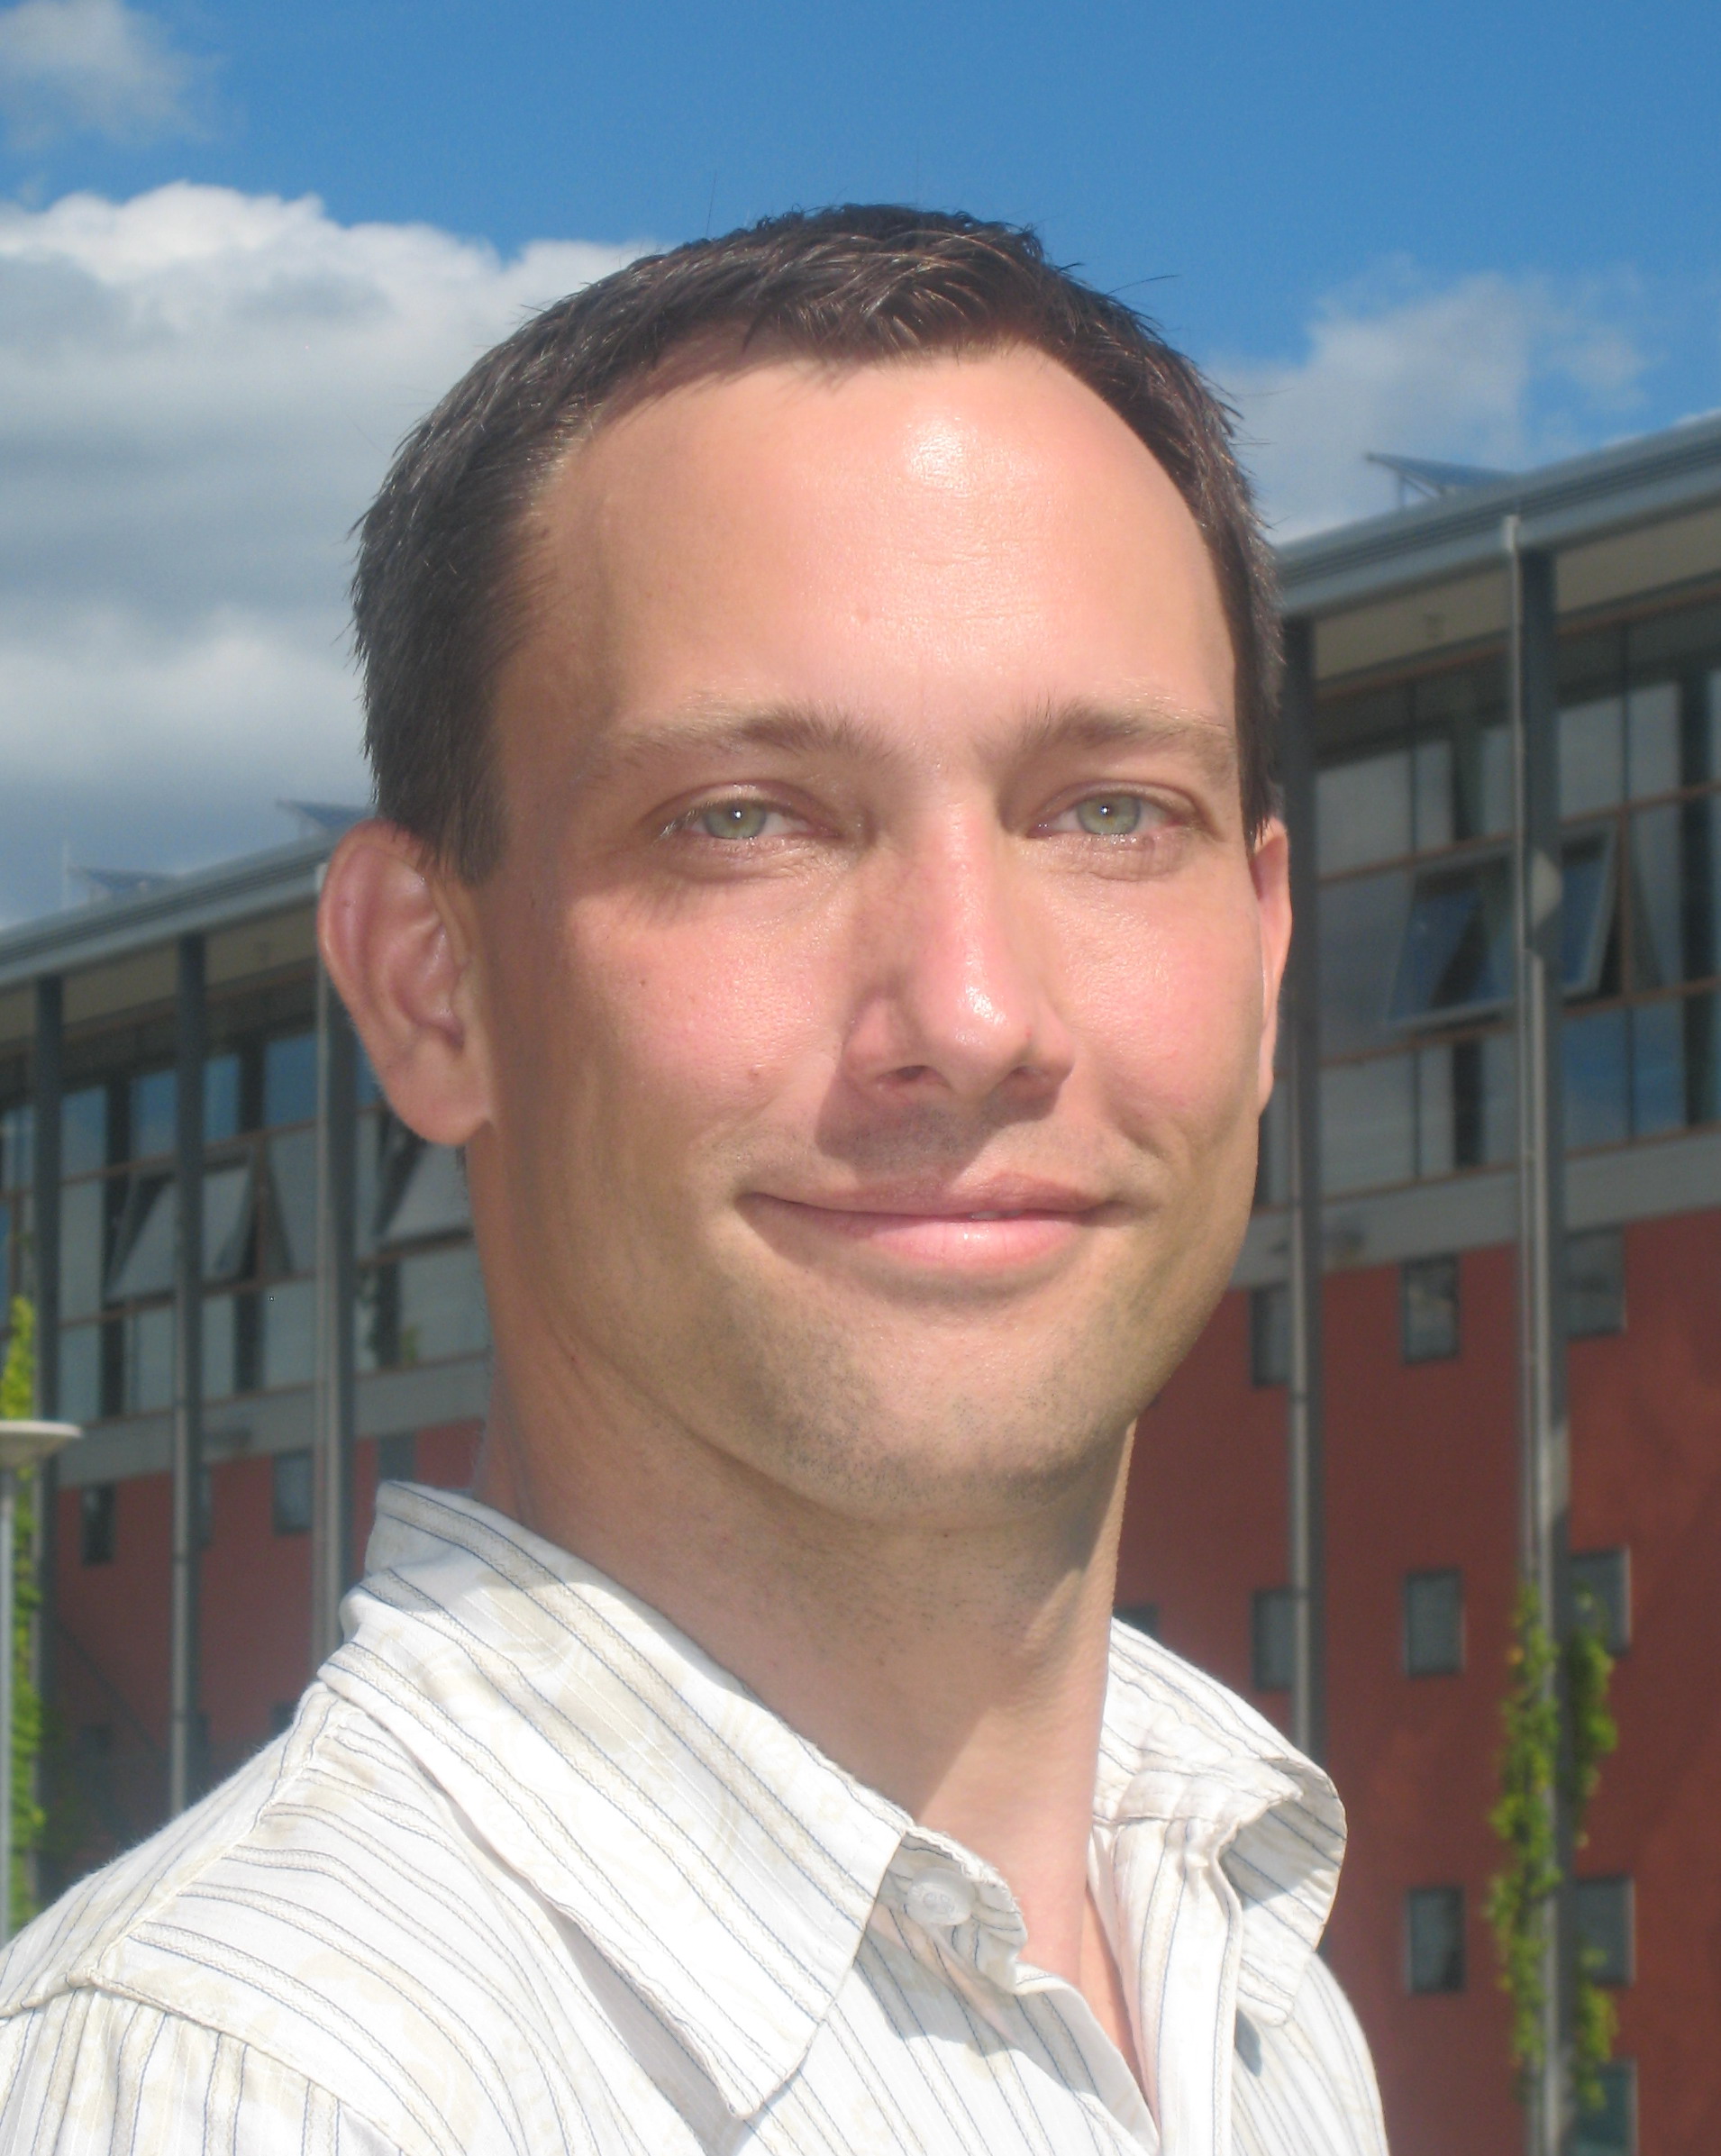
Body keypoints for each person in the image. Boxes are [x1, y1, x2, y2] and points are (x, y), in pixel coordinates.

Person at [0, 206, 1387, 2155]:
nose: (972, 1012)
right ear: (430, 984)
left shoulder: (1251, 1993)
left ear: (1260, 956)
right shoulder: (252, 2084)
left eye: (1106, 812)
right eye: (744, 820)